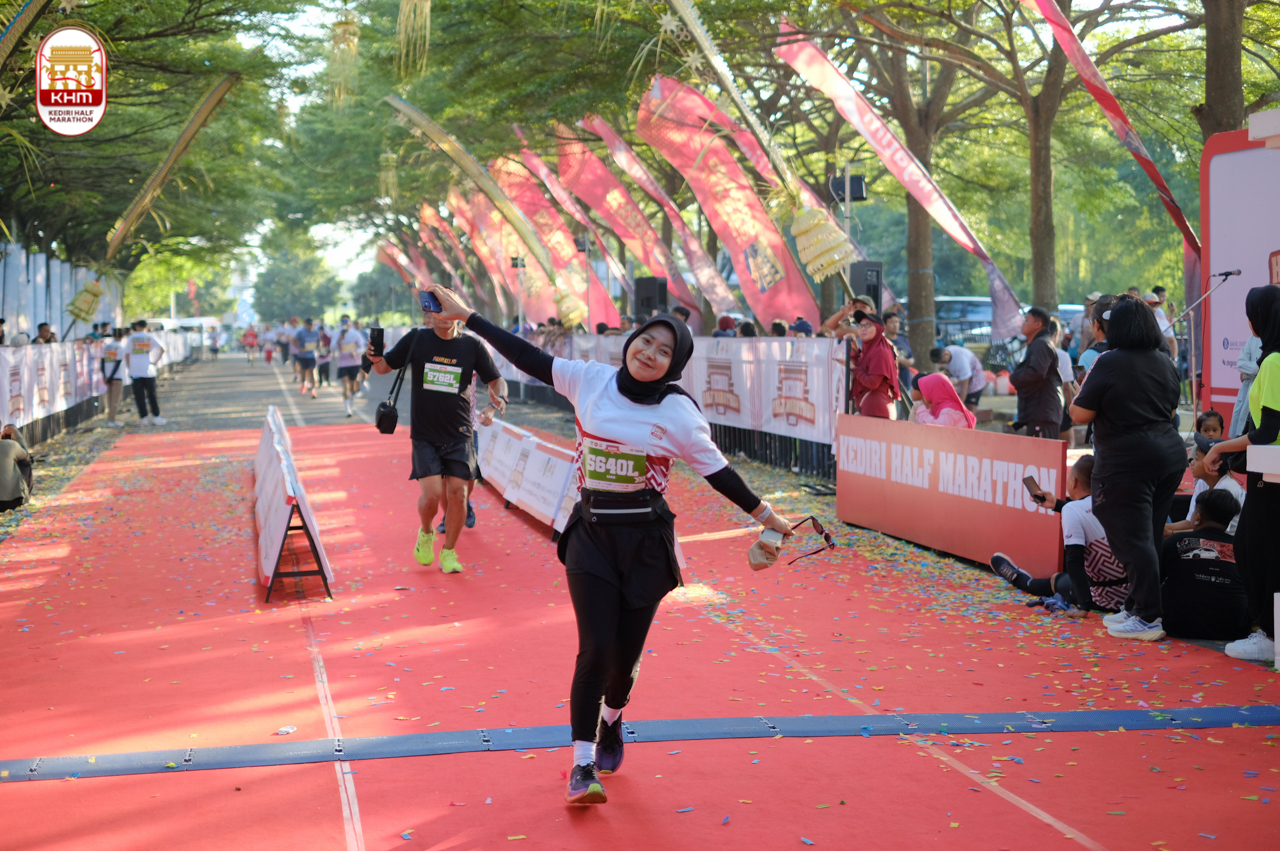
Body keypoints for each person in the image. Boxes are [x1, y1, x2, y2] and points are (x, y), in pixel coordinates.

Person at [420, 281, 792, 806]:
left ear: (675, 365)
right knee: (594, 649)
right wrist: (471, 317)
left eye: (664, 351)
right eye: (646, 341)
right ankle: (581, 764)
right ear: (632, 341)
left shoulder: (680, 415)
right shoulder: (589, 380)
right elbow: (527, 356)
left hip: (645, 544)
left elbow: (720, 474)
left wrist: (767, 517)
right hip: (591, 534)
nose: (650, 353)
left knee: (622, 663)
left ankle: (613, 719)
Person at [1071, 295, 1184, 640]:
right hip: (1168, 457)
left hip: (1127, 462)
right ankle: (1136, 607)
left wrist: (1078, 392)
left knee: (1133, 540)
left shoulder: (1108, 361)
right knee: (1148, 535)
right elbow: (1170, 411)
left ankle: (1148, 616)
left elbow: (1080, 414)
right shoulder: (1164, 360)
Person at [367, 300, 508, 576]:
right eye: (437, 311)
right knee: (432, 496)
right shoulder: (416, 339)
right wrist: (374, 357)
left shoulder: (472, 346)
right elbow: (383, 368)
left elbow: (496, 380)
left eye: (448, 310)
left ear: (458, 314)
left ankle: (449, 552)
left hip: (460, 433)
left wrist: (497, 402)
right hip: (425, 434)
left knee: (459, 494)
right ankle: (426, 531)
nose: (442, 316)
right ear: (430, 314)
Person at [1203, 285, 1280, 662]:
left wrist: (1219, 446)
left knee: (1256, 551)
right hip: (1269, 471)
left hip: (1272, 474)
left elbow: (1267, 431)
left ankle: (1270, 633)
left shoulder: (1274, 362)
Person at [990, 455, 1128, 618]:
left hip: (1105, 600)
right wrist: (1056, 504)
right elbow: (1087, 512)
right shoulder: (1113, 499)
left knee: (1056, 580)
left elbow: (1073, 561)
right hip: (1135, 595)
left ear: (1074, 482)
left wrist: (1083, 607)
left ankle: (1018, 578)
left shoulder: (1072, 510)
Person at [1159, 489, 1251, 641]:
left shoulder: (1176, 541)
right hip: (1233, 628)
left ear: (1197, 518)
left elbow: (1153, 580)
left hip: (1177, 624)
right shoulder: (1243, 549)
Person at [1164, 433, 1245, 538]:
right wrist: (1161, 527)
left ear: (1213, 465)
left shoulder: (1225, 490)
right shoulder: (1203, 482)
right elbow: (1191, 523)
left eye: (1197, 459)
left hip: (1229, 539)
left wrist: (1170, 533)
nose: (1191, 462)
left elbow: (1211, 533)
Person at [1008, 307, 1063, 439]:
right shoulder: (1039, 343)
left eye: (1027, 320)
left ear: (1038, 324)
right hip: (1040, 413)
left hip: (1043, 412)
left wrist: (1014, 377)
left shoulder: (1041, 344)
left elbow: (1036, 373)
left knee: (1043, 451)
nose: (1023, 323)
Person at [848, 310, 900, 419]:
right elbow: (864, 366)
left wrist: (853, 368)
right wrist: (856, 349)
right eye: (860, 326)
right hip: (873, 408)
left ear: (879, 328)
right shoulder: (872, 347)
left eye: (868, 325)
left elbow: (872, 383)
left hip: (876, 410)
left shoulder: (880, 350)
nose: (863, 328)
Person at [127, 320, 167, 425]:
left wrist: (130, 367)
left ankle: (143, 417)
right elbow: (163, 348)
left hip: (135, 372)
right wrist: (155, 362)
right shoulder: (150, 336)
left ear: (137, 326)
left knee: (139, 396)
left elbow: (127, 354)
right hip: (149, 371)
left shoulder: (131, 338)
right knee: (152, 395)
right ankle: (156, 416)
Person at [928, 343, 986, 409]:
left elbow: (964, 387)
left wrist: (960, 405)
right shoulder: (946, 354)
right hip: (960, 378)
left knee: (970, 406)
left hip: (975, 379)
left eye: (942, 362)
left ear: (945, 354)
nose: (941, 364)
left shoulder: (961, 361)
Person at [908, 373, 975, 428]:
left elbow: (937, 429)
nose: (923, 396)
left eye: (926, 391)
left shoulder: (950, 410)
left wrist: (921, 411)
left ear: (934, 391)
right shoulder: (938, 407)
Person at [1050, 319, 1078, 445]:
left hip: (1039, 407)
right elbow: (1066, 386)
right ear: (1056, 334)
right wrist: (1071, 411)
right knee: (1067, 445)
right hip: (1058, 404)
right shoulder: (1063, 355)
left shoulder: (1031, 352)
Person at [333, 315, 366, 417]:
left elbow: (362, 348)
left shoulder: (355, 334)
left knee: (352, 387)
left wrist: (356, 352)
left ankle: (351, 401)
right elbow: (332, 348)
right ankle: (347, 409)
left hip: (354, 363)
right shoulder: (337, 334)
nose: (345, 324)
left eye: (347, 322)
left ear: (350, 323)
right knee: (345, 385)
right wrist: (339, 340)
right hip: (342, 364)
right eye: (343, 322)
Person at [884, 312, 914, 420]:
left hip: (906, 383)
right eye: (892, 322)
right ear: (885, 325)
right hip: (891, 386)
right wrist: (900, 361)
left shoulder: (902, 339)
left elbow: (911, 357)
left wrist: (908, 361)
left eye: (897, 322)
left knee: (906, 416)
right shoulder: (883, 341)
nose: (895, 325)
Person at [1231, 334, 1262, 437]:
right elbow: (1240, 364)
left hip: (1262, 390)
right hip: (1248, 390)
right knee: (1242, 427)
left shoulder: (1273, 340)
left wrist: (1246, 374)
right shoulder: (1252, 339)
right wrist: (1254, 371)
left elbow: (1264, 367)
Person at [1078, 295, 1114, 374]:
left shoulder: (1087, 356)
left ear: (1096, 324)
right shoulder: (1131, 352)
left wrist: (1078, 367)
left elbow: (1080, 380)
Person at [0, 424, 31, 511]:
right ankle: (24, 496)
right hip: (11, 502)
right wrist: (16, 433)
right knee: (24, 462)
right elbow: (26, 455)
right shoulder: (10, 445)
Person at [101, 328, 126, 427]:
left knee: (109, 398)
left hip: (107, 377)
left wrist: (105, 376)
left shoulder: (106, 347)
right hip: (116, 377)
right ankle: (111, 420)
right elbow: (118, 363)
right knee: (115, 399)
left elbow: (102, 362)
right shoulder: (120, 347)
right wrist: (111, 376)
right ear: (122, 336)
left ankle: (110, 419)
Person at [1144, 291, 1178, 361]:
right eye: (1150, 305)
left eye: (1155, 306)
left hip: (1157, 361)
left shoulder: (1161, 321)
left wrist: (1174, 360)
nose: (1153, 309)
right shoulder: (1133, 322)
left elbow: (1171, 340)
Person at [293, 317, 321, 398]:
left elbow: (319, 341)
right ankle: (303, 383)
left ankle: (312, 390)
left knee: (311, 371)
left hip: (312, 355)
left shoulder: (315, 332)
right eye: (309, 325)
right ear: (305, 324)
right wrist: (300, 348)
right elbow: (295, 340)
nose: (310, 327)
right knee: (304, 372)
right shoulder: (301, 332)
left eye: (311, 325)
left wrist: (318, 346)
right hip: (303, 356)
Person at [315, 322, 332, 390]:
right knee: (320, 370)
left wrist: (329, 349)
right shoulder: (317, 337)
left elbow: (330, 345)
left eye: (322, 330)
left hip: (326, 356)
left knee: (326, 368)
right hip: (319, 356)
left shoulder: (327, 338)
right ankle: (320, 381)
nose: (321, 332)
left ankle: (327, 380)